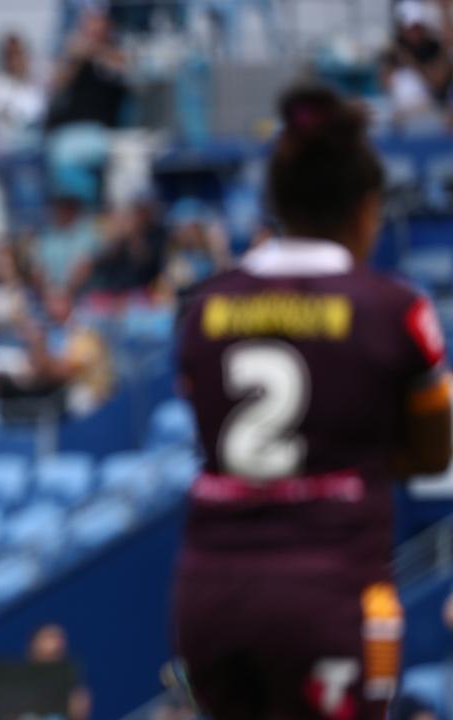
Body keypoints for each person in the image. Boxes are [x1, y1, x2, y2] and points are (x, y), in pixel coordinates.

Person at [173, 84, 453, 720]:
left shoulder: (206, 309)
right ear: (366, 209)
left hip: (211, 592)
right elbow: (435, 451)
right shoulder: (394, 308)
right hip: (329, 590)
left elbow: (210, 437)